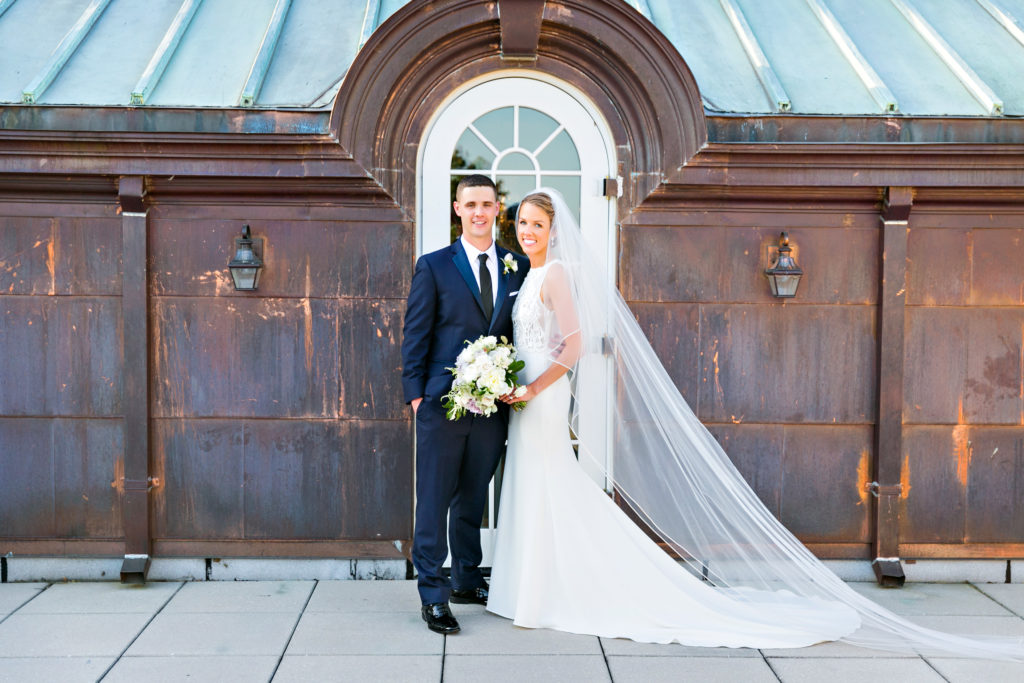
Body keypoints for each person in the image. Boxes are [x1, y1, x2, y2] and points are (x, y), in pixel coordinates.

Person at [486, 188, 1024, 659]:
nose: (529, 232)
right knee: (534, 482)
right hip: (522, 393)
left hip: (542, 396)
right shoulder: (527, 275)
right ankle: (528, 586)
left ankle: (548, 589)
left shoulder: (556, 272)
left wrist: (533, 387)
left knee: (549, 478)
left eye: (538, 224)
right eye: (524, 224)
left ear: (554, 230)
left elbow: (576, 343)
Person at [401, 174, 530, 634]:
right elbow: (415, 333)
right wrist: (416, 396)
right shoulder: (434, 266)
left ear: (498, 209)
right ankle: (433, 595)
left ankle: (466, 579)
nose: (479, 212)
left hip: (493, 407)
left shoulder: (519, 265)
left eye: (487, 204)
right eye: (470, 203)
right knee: (434, 500)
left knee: (473, 496)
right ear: (458, 210)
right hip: (442, 404)